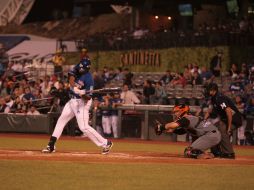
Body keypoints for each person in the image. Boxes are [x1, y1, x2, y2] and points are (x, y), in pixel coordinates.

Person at [42, 58, 113, 154]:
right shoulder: (77, 68)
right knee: (61, 121)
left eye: (82, 69)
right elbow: (71, 78)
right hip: (72, 101)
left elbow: (88, 97)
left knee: (83, 127)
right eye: (80, 68)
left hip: (82, 103)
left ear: (87, 68)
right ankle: (51, 145)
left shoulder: (89, 79)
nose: (80, 70)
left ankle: (106, 143)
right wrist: (74, 87)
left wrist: (80, 93)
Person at [154, 104, 221, 159]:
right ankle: (212, 154)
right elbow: (181, 131)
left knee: (189, 152)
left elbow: (173, 125)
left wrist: (161, 127)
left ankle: (208, 155)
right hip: (213, 134)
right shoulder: (189, 118)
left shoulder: (186, 118)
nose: (175, 114)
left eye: (176, 112)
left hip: (210, 135)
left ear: (182, 111)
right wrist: (170, 130)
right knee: (189, 151)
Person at [205, 83, 242, 159]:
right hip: (225, 120)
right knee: (212, 129)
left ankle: (229, 153)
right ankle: (216, 151)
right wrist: (204, 120)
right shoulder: (213, 98)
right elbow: (209, 111)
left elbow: (228, 112)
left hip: (235, 119)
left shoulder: (220, 98)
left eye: (208, 90)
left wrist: (228, 127)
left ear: (213, 90)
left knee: (222, 129)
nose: (207, 91)